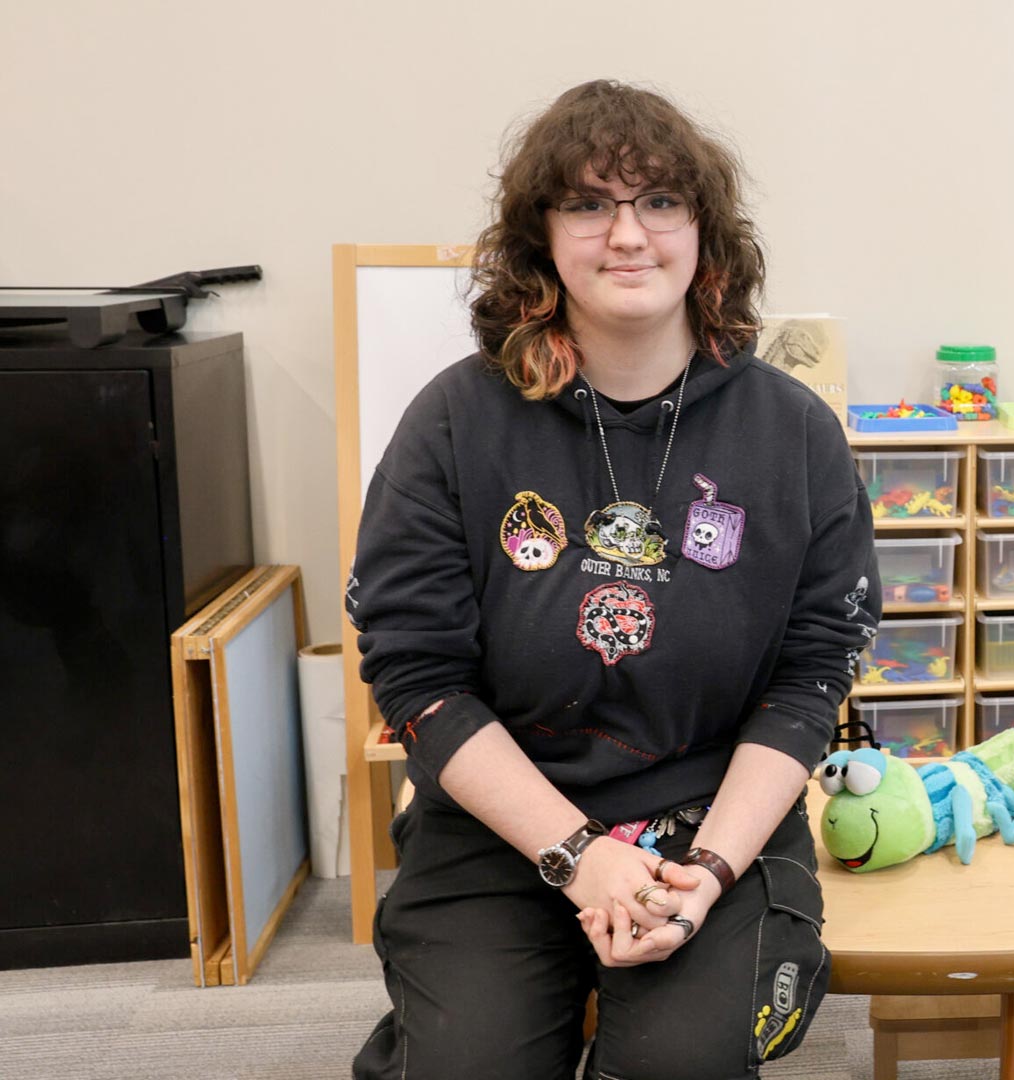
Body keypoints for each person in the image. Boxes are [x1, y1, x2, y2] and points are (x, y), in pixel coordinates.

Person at [346, 80, 879, 1079]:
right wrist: (578, 853)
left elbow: (814, 673)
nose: (627, 234)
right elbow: (416, 676)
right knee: (471, 1066)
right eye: (589, 204)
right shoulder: (457, 422)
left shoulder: (793, 433)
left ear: (703, 235)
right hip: (504, 827)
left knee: (681, 1064)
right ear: (541, 238)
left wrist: (710, 871)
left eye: (660, 202)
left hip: (712, 819)